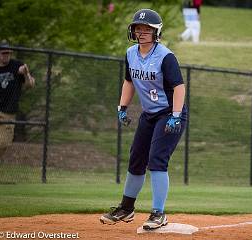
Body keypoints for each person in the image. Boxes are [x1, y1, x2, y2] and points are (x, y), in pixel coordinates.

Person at [100, 9, 187, 230]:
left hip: (169, 113)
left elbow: (179, 87)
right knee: (136, 159)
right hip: (149, 114)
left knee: (157, 160)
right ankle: (126, 208)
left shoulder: (166, 56)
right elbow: (129, 82)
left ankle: (159, 213)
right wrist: (122, 107)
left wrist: (176, 116)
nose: (142, 32)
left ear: (156, 32)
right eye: (138, 28)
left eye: (147, 28)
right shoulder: (130, 53)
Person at [0, 42, 35, 160]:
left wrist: (26, 73)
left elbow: (30, 85)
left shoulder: (17, 65)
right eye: (4, 53)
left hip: (8, 112)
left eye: (9, 53)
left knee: (3, 143)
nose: (6, 56)